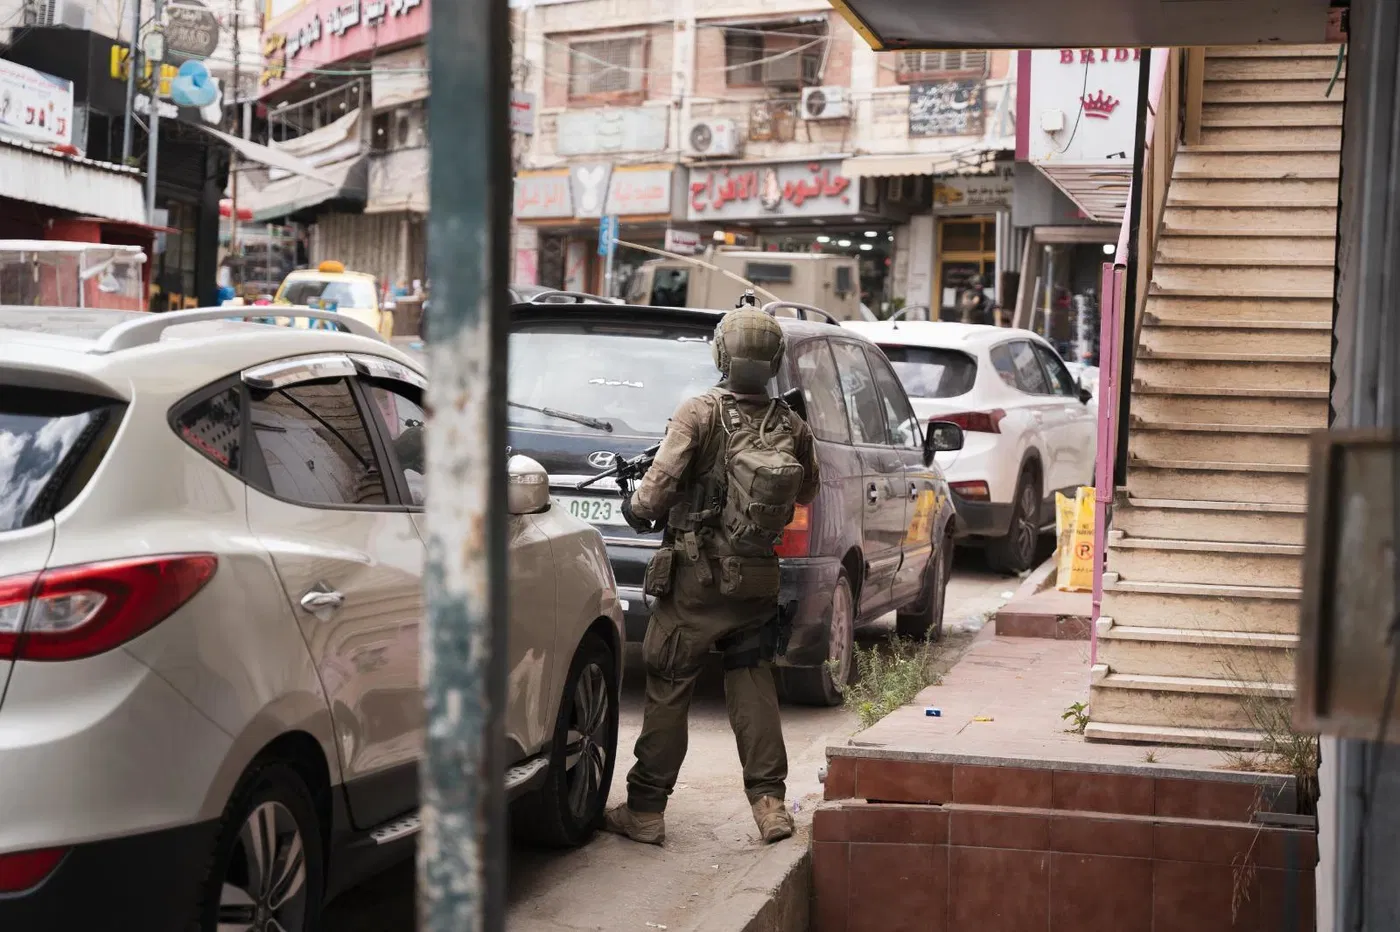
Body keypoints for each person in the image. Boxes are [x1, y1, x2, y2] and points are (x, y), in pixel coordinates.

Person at [605, 304, 821, 847]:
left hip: (695, 583)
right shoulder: (790, 423)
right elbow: (808, 490)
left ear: (722, 355)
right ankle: (771, 806)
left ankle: (646, 810)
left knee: (669, 682)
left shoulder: (699, 412)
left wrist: (634, 508)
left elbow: (653, 496)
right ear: (774, 360)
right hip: (756, 579)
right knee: (753, 682)